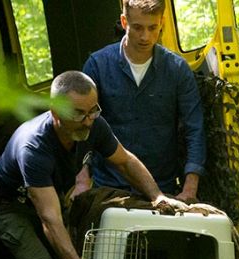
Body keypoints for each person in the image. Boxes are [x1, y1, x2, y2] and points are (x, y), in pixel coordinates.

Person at [0, 70, 185, 259]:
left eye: (93, 111)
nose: (87, 121)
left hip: (44, 199)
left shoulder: (94, 125)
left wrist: (157, 196)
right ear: (55, 111)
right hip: (7, 204)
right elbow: (49, 217)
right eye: (78, 114)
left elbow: (125, 162)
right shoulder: (34, 147)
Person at [82, 0, 206, 202]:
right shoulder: (97, 65)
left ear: (162, 23)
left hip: (162, 187)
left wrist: (190, 189)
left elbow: (195, 129)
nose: (145, 36)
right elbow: (82, 126)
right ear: (124, 22)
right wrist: (81, 180)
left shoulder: (177, 69)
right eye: (138, 27)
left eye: (152, 28)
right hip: (109, 187)